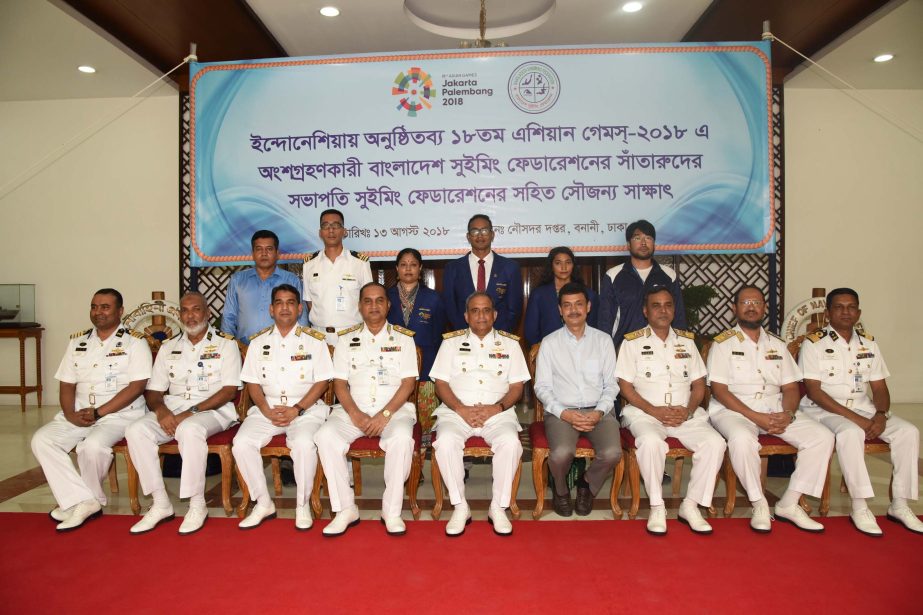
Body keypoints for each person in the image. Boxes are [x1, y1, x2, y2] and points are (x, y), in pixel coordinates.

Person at [707, 285, 833, 533]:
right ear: (734, 309)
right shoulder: (722, 344)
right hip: (732, 409)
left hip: (776, 406)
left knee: (822, 437)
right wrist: (756, 417)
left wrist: (787, 414)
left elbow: (791, 388)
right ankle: (759, 503)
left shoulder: (778, 344)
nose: (751, 307)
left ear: (764, 308)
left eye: (756, 302)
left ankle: (789, 502)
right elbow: (720, 391)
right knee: (742, 439)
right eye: (745, 302)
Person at [799, 287, 922, 536]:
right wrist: (858, 419)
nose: (846, 312)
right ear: (828, 312)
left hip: (864, 409)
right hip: (824, 410)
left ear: (859, 312)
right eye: (839, 307)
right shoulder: (814, 344)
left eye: (851, 307)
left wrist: (880, 415)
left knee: (909, 432)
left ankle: (900, 503)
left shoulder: (869, 343)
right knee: (850, 433)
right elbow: (814, 392)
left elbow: (879, 387)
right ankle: (859, 505)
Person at [31, 288, 152, 531]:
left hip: (119, 413)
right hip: (79, 412)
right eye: (94, 306)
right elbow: (66, 383)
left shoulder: (135, 342)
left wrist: (100, 412)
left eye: (105, 307)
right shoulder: (77, 342)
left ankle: (83, 502)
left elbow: (137, 387)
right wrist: (69, 415)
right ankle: (84, 500)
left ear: (120, 311)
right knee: (42, 440)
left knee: (92, 447)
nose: (98, 312)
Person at [125, 292, 241, 535]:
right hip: (173, 408)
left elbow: (229, 391)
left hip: (214, 410)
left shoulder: (225, 343)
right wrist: (162, 411)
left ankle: (197, 504)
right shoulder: (168, 347)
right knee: (135, 430)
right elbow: (154, 392)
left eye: (196, 309)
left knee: (190, 429)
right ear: (179, 315)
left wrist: (191, 412)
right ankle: (160, 503)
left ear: (207, 313)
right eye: (185, 311)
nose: (190, 315)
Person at [615, 286, 726, 535]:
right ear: (646, 311)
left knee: (715, 443)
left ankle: (691, 505)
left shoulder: (687, 342)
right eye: (656, 305)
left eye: (667, 305)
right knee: (650, 441)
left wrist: (687, 410)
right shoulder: (631, 343)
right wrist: (653, 410)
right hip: (645, 413)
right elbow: (625, 386)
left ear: (674, 310)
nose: (662, 310)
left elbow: (698, 385)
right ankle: (656, 505)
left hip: (684, 413)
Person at [314, 282, 419, 536]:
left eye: (379, 300)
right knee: (325, 436)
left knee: (402, 439)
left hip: (393, 410)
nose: (374, 306)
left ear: (388, 305)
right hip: (353, 409)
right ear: (360, 306)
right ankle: (345, 509)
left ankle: (391, 511)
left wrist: (384, 415)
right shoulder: (346, 340)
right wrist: (354, 413)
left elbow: (408, 383)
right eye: (368, 301)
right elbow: (339, 383)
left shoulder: (404, 339)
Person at [231, 284, 333, 531]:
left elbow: (322, 382)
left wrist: (297, 409)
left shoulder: (315, 342)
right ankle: (263, 503)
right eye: (279, 302)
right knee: (241, 443)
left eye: (290, 302)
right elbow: (252, 383)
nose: (284, 307)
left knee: (303, 444)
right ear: (271, 309)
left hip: (305, 410)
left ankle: (302, 505)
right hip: (268, 409)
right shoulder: (258, 342)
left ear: (300, 309)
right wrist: (265, 409)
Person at [430, 292, 529, 536]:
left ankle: (498, 507)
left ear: (495, 314)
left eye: (486, 310)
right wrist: (460, 409)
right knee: (445, 442)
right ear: (466, 316)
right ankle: (460, 506)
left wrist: (497, 408)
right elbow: (441, 384)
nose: (481, 315)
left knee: (510, 442)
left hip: (497, 412)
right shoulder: (450, 343)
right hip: (456, 412)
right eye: (475, 310)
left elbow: (517, 387)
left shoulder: (511, 344)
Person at [533, 282, 620, 516]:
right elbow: (541, 387)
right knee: (561, 454)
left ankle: (586, 485)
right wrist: (565, 413)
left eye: (579, 304)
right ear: (560, 310)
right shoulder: (550, 343)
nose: (573, 310)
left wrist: (599, 411)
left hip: (598, 410)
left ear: (588, 307)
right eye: (567, 305)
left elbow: (612, 384)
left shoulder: (603, 341)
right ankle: (560, 491)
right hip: (562, 412)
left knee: (612, 453)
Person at [598, 219, 686, 352]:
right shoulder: (613, 275)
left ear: (654, 244)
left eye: (648, 238)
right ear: (628, 244)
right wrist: (606, 352)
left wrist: (681, 347)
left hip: (663, 349)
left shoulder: (668, 275)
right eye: (637, 238)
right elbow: (605, 320)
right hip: (624, 349)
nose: (643, 243)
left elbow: (678, 316)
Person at [386, 247, 446, 432]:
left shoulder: (433, 298)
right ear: (397, 269)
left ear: (420, 268)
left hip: (426, 365)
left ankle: (423, 449)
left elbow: (438, 334)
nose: (408, 269)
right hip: (392, 366)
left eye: (413, 265)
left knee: (425, 415)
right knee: (396, 418)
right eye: (403, 265)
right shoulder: (385, 296)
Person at [222, 229, 307, 345]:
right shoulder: (237, 280)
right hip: (245, 349)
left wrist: (300, 346)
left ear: (277, 253)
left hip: (283, 348)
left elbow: (301, 318)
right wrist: (229, 348)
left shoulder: (292, 280)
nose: (264, 253)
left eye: (269, 249)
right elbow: (229, 317)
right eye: (259, 249)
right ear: (252, 253)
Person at [442, 214, 523, 334]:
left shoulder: (510, 267)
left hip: (499, 339)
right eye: (475, 231)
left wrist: (500, 335)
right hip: (464, 338)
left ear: (492, 234)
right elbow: (450, 308)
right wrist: (464, 334)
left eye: (484, 230)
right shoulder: (452, 268)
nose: (480, 235)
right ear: (468, 237)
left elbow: (514, 309)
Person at [302, 209, 373, 346]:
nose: (331, 230)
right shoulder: (309, 265)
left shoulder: (360, 263)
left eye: (336, 225)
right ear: (320, 232)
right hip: (319, 337)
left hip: (352, 335)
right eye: (326, 226)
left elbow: (368, 300)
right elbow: (310, 303)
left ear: (344, 231)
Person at [524, 246, 599, 347]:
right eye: (558, 263)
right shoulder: (539, 295)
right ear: (551, 266)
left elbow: (594, 328)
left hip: (582, 349)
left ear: (573, 265)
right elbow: (531, 332)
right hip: (549, 351)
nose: (563, 267)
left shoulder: (588, 294)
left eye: (568, 262)